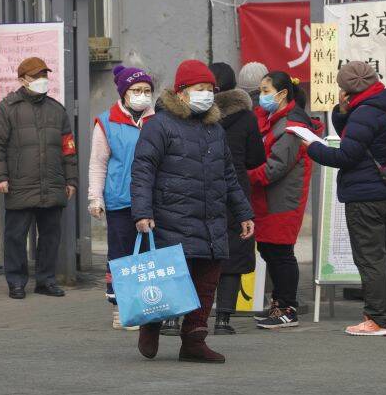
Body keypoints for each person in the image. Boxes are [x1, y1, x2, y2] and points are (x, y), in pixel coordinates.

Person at [131, 59, 255, 364]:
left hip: (212, 219)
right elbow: (143, 170)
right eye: (200, 89)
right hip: (174, 216)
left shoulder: (215, 128)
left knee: (207, 282)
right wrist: (142, 212)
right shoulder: (159, 126)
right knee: (171, 279)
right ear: (182, 92)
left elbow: (228, 174)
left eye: (210, 90)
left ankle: (194, 340)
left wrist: (243, 213)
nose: (207, 95)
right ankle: (151, 323)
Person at [305, 61, 386, 337]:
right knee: (380, 256)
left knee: (369, 258)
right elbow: (354, 137)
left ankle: (376, 319)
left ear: (347, 89)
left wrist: (312, 147)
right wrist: (342, 111)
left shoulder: (366, 113)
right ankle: (381, 315)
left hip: (365, 196)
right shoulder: (384, 104)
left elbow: (345, 155)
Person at [0, 57, 78, 300]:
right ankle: (16, 282)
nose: (41, 81)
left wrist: (71, 180)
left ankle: (46, 281)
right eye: (36, 77)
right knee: (15, 237)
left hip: (52, 183)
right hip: (19, 184)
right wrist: (0, 177)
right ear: (22, 80)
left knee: (50, 236)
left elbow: (68, 148)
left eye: (44, 76)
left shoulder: (57, 110)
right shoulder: (6, 108)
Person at [249, 71, 323, 329]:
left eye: (266, 91)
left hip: (283, 201)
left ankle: (287, 308)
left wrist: (244, 176)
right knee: (269, 250)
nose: (261, 96)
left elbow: (274, 168)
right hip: (269, 199)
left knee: (281, 253)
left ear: (281, 95)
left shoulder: (292, 128)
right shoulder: (274, 120)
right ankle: (278, 304)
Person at [88, 65, 155, 330]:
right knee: (122, 256)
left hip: (152, 201)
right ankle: (121, 308)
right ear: (124, 93)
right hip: (120, 201)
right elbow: (98, 163)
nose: (142, 95)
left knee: (150, 256)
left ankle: (150, 304)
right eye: (136, 90)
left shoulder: (159, 119)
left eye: (147, 90)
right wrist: (96, 198)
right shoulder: (106, 122)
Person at [210, 62, 266, 335]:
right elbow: (257, 157)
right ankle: (223, 320)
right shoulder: (246, 117)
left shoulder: (195, 115)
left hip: (200, 189)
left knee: (194, 252)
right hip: (235, 192)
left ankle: (178, 320)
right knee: (232, 253)